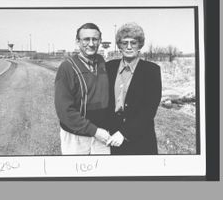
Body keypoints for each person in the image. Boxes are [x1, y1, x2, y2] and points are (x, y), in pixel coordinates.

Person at [105, 22, 162, 155]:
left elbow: (149, 109)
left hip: (141, 138)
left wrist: (124, 133)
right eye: (125, 43)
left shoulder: (151, 70)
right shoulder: (109, 67)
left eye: (133, 42)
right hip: (113, 137)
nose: (129, 47)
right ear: (119, 45)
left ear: (140, 44)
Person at [54, 23, 111, 155]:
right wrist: (94, 130)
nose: (91, 44)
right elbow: (64, 111)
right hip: (76, 136)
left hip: (102, 135)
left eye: (95, 39)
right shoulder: (67, 67)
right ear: (77, 42)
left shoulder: (102, 63)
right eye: (86, 39)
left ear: (100, 41)